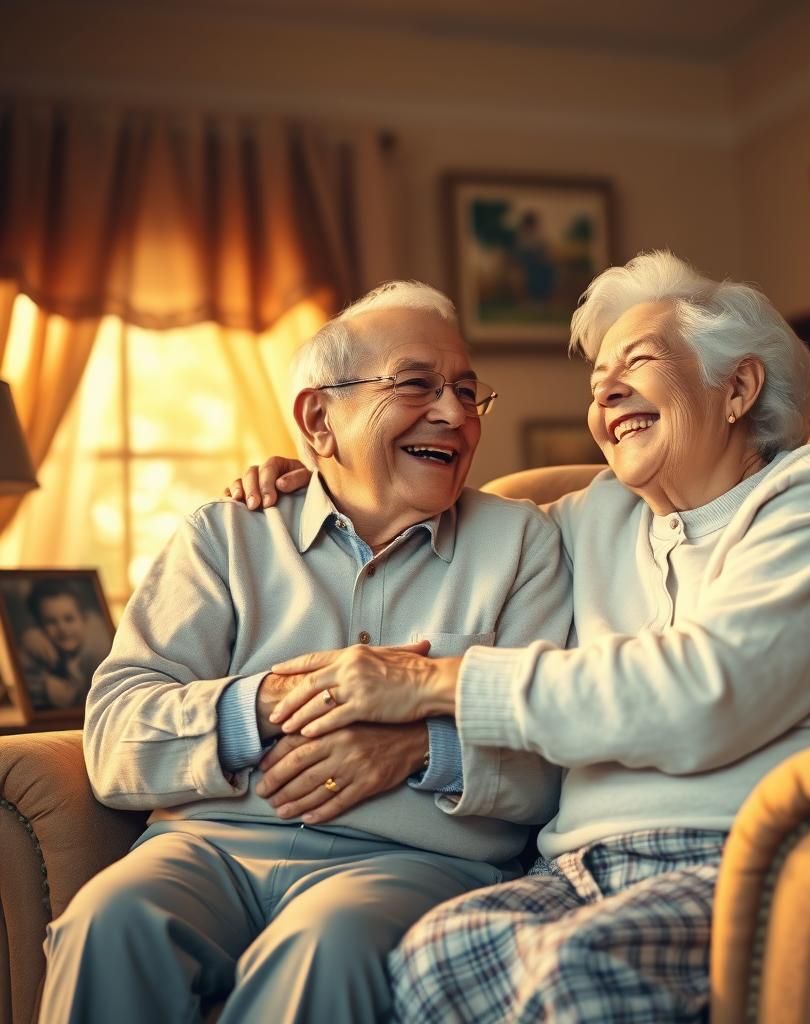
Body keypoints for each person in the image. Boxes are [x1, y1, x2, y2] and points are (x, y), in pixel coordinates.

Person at [233, 251, 810, 1022]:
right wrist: (330, 472)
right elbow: (455, 539)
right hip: (578, 869)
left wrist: (431, 684)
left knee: (574, 967)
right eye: (597, 379)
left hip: (755, 854)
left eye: (636, 363)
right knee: (433, 952)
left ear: (737, 388)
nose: (605, 392)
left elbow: (707, 691)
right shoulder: (593, 517)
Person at [39, 281, 571, 1024]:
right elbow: (114, 735)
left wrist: (418, 746)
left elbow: (550, 755)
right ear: (320, 419)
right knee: (113, 918)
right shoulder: (225, 535)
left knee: (329, 942)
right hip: (210, 849)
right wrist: (259, 705)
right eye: (418, 384)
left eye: (466, 391)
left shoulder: (522, 544)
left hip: (410, 863)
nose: (453, 413)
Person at [21, 579, 106, 709]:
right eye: (50, 622)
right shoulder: (37, 653)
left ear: (84, 619)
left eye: (69, 619)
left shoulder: (97, 652)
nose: (62, 628)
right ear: (39, 627)